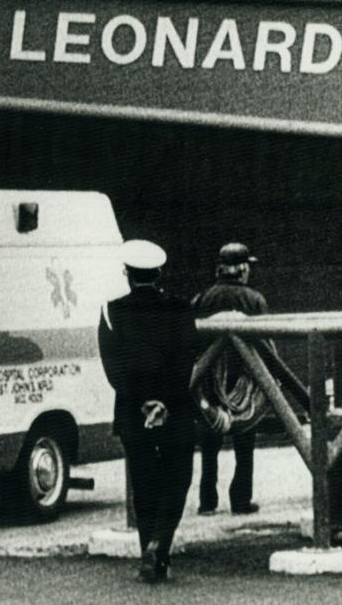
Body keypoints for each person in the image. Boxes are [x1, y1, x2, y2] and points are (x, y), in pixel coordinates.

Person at [97, 239, 195, 583]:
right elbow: (186, 363)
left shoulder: (111, 311)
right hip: (177, 408)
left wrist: (141, 400)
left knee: (144, 482)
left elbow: (113, 369)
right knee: (177, 479)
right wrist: (165, 401)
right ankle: (160, 545)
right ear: (159, 273)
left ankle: (148, 555)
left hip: (130, 410)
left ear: (128, 275)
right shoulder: (181, 309)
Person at [192, 242, 268, 517]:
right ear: (243, 268)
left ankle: (207, 501)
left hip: (209, 380)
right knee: (244, 446)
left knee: (209, 445)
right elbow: (264, 344)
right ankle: (240, 501)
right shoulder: (255, 300)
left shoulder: (202, 299)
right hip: (244, 382)